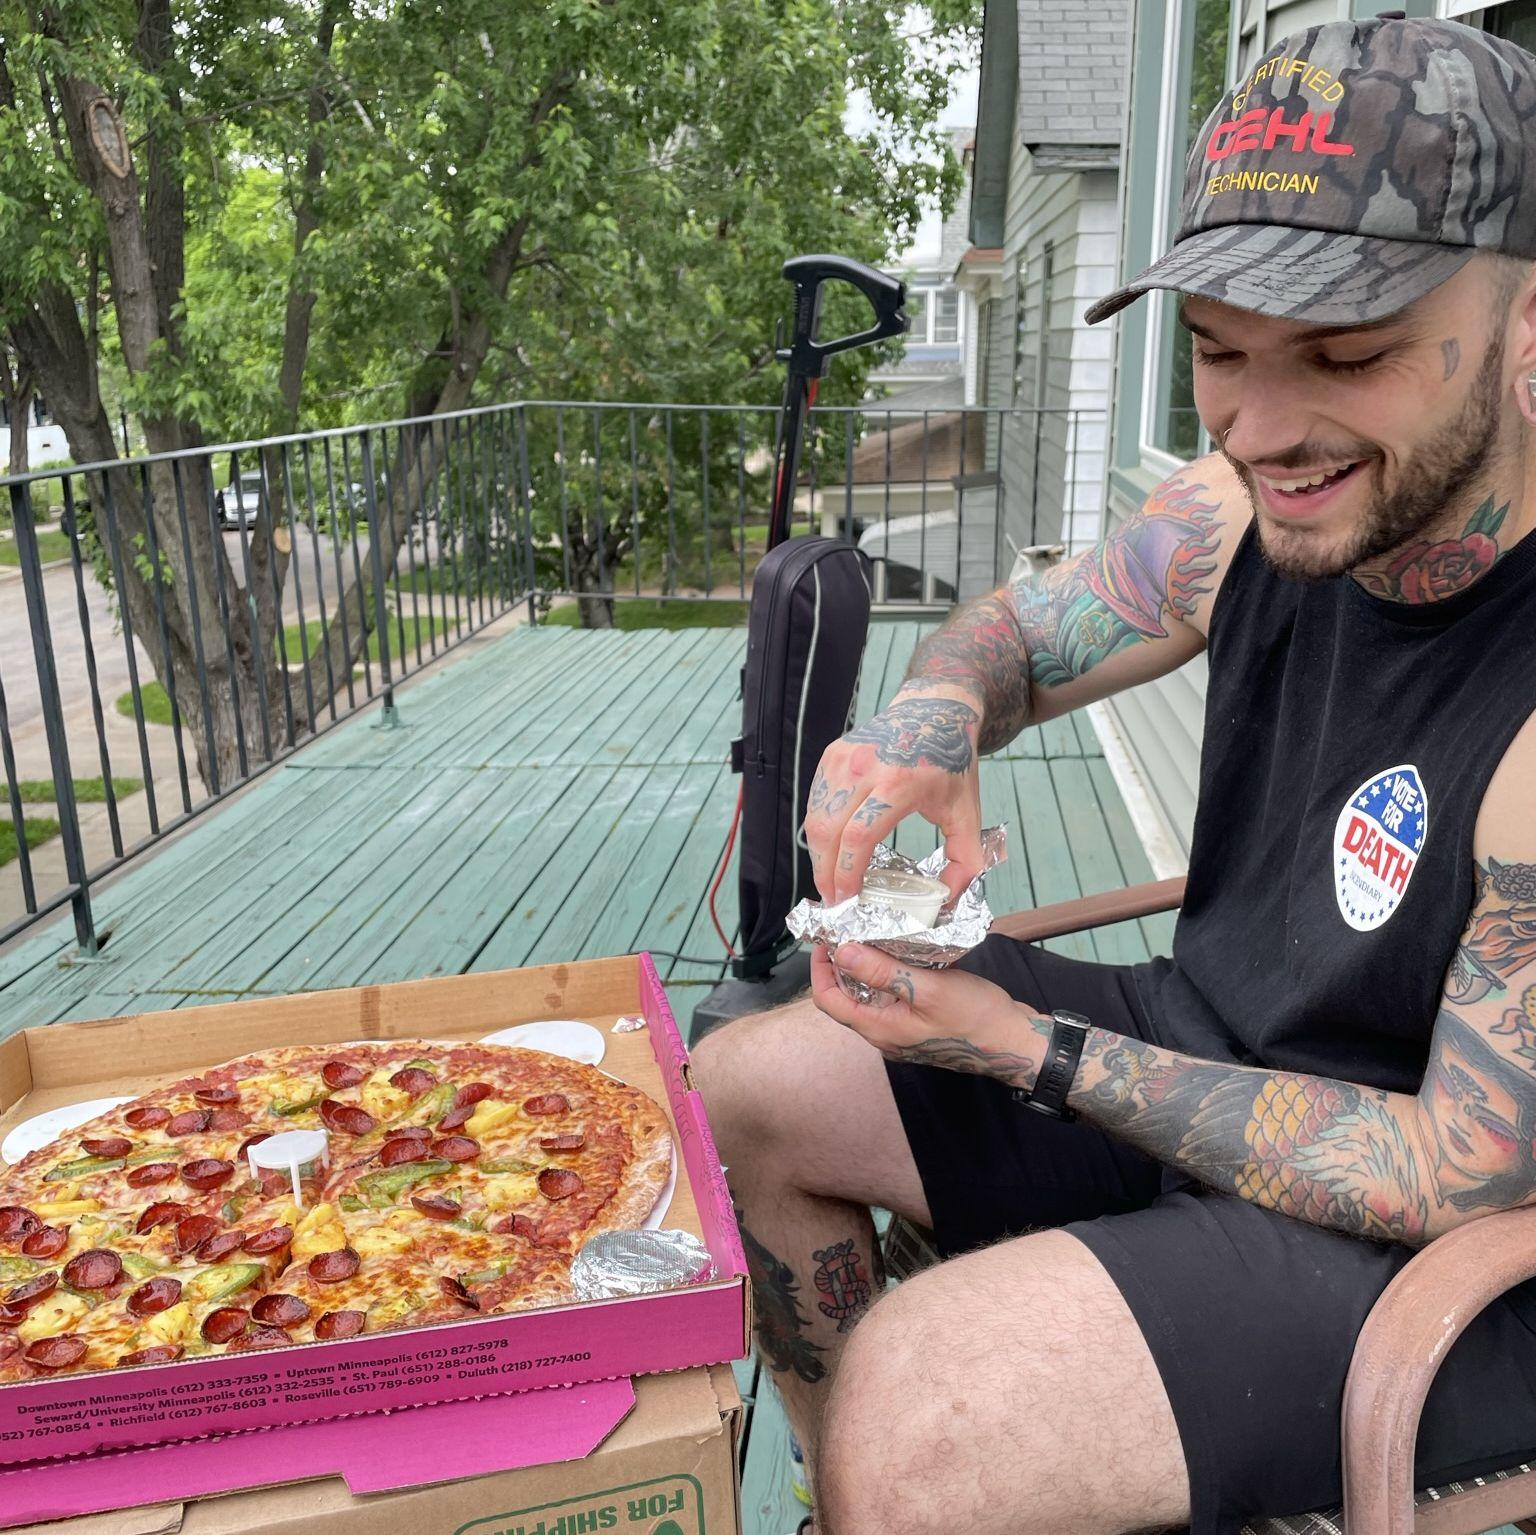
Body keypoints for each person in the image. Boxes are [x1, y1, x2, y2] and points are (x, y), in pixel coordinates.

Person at [692, 14, 1536, 1534]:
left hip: (1438, 1253)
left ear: (1525, 326)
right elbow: (1015, 629)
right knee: (751, 1081)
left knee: (925, 1401)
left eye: (1347, 353)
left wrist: (1029, 1048)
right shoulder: (1250, 504)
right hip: (1197, 1054)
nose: (1262, 431)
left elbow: (1448, 1172)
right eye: (1217, 353)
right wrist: (932, 724)